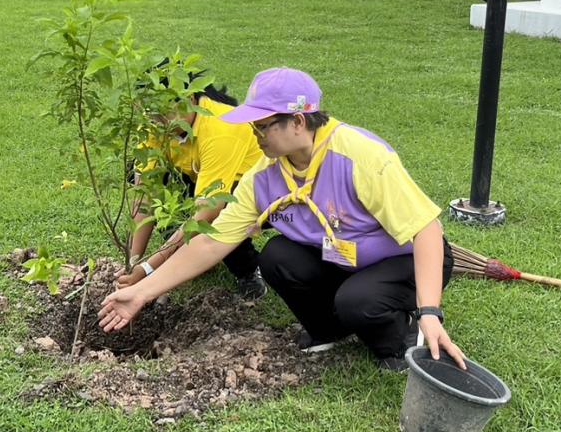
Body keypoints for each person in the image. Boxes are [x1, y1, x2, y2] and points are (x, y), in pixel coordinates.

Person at [99, 67, 465, 373]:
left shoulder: (360, 157)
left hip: (402, 260)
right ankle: (329, 330)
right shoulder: (265, 175)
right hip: (341, 256)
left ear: (298, 122)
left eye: (262, 126)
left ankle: (401, 337)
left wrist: (430, 310)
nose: (255, 136)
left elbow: (426, 230)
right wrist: (142, 292)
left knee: (359, 301)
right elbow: (211, 241)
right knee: (277, 257)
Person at [119, 78, 266, 299]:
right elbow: (145, 197)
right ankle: (187, 254)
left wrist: (148, 269)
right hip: (199, 175)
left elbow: (207, 213)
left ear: (189, 99)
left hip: (256, 188)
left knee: (218, 219)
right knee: (160, 197)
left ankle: (248, 270)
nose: (158, 123)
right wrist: (133, 262)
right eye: (150, 115)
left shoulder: (221, 129)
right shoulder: (155, 125)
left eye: (163, 113)